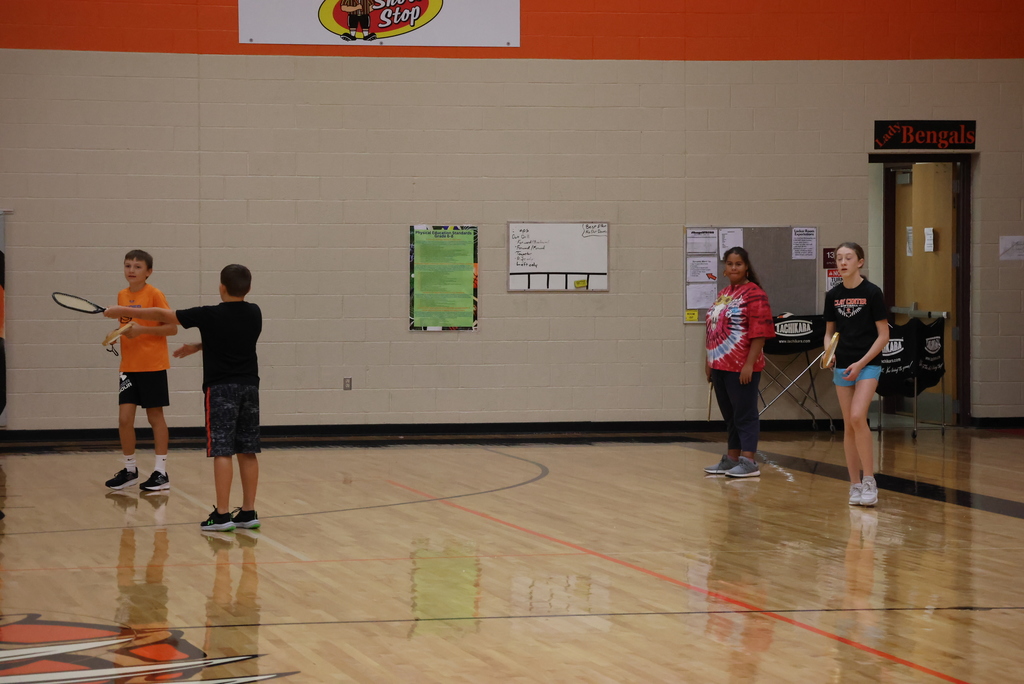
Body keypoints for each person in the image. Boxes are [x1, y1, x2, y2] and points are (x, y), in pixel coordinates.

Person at [104, 264, 263, 531]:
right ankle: (248, 512)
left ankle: (222, 515)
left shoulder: (210, 314)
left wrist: (123, 311)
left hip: (221, 389)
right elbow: (234, 339)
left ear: (221, 287)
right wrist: (198, 346)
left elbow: (161, 314)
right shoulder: (255, 312)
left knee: (222, 450)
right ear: (248, 288)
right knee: (247, 450)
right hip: (250, 388)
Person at [105, 250, 177, 493]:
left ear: (148, 272)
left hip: (152, 366)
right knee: (124, 419)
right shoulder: (121, 295)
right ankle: (129, 469)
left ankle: (160, 472)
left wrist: (143, 332)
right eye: (127, 265)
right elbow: (127, 327)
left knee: (155, 417)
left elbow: (171, 328)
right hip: (128, 367)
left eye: (137, 266)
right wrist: (116, 336)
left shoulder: (155, 294)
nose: (131, 270)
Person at [823, 242, 889, 507]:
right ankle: (855, 484)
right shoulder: (833, 295)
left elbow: (884, 335)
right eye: (839, 258)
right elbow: (829, 331)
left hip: (868, 364)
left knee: (857, 415)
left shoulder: (873, 293)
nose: (842, 262)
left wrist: (861, 363)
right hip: (843, 365)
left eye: (848, 257)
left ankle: (870, 479)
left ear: (860, 262)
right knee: (849, 425)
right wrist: (829, 350)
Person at [703, 247, 775, 478]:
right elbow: (713, 328)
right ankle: (732, 457)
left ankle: (749, 460)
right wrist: (709, 361)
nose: (734, 268)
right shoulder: (724, 294)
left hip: (742, 366)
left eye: (738, 264)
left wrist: (749, 364)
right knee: (730, 416)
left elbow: (760, 333)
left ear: (746, 267)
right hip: (719, 365)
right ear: (725, 268)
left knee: (745, 414)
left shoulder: (755, 294)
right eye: (730, 264)